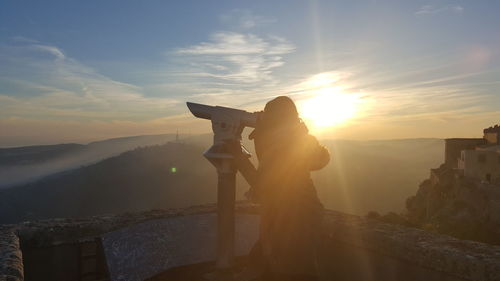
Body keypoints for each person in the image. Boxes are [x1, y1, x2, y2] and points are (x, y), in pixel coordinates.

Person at [234, 96, 330, 281]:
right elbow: (321, 158)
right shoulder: (292, 139)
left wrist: (237, 155)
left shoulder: (285, 144)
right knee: (265, 263)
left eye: (268, 115)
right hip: (296, 214)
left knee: (292, 271)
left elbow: (263, 185)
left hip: (294, 218)